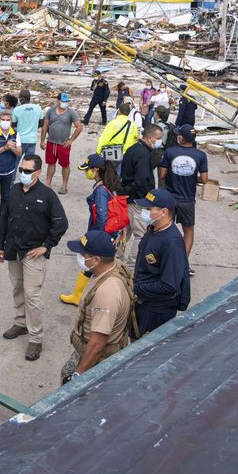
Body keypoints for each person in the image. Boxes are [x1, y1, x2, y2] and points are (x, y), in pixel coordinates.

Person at [0, 155, 68, 361]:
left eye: (27, 171)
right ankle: (20, 323)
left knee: (32, 295)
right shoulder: (14, 191)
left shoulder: (47, 195)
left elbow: (61, 223)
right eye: (21, 170)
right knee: (17, 288)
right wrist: (0, 245)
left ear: (37, 173)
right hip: (13, 250)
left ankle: (35, 338)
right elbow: (4, 217)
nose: (23, 174)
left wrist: (45, 246)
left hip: (33, 253)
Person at [60, 232, 134, 384]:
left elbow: (98, 343)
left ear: (95, 260)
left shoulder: (107, 293)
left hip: (100, 359)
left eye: (83, 254)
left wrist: (78, 377)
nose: (80, 257)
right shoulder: (114, 266)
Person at [58, 153, 122, 305]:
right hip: (106, 233)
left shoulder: (100, 190)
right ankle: (78, 295)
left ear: (96, 170)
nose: (87, 172)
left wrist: (96, 238)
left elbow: (102, 216)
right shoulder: (107, 184)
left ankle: (86, 296)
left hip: (100, 234)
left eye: (88, 169)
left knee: (93, 264)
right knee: (92, 266)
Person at [132, 189, 190, 335]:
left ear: (163, 212)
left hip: (156, 310)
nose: (144, 212)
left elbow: (169, 286)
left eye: (148, 209)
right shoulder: (153, 228)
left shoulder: (172, 243)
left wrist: (135, 288)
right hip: (143, 302)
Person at [159, 124, 208, 272]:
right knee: (188, 231)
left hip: (169, 199)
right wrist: (192, 177)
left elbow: (161, 175)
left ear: (180, 137)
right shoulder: (200, 155)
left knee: (164, 229)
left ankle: (163, 262)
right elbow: (205, 180)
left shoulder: (170, 152)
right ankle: (182, 264)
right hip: (187, 201)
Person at [121, 124, 164, 269]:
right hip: (138, 201)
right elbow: (142, 181)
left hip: (127, 198)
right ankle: (133, 265)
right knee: (140, 234)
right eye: (158, 138)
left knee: (124, 232)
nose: (159, 142)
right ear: (150, 138)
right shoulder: (143, 155)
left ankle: (116, 260)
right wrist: (149, 202)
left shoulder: (133, 149)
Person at [41, 92, 83, 194]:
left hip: (63, 144)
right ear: (58, 101)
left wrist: (71, 140)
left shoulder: (71, 112)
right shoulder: (50, 111)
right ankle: (48, 182)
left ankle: (64, 185)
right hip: (51, 142)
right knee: (51, 163)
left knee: (65, 164)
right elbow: (45, 126)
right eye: (63, 101)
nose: (65, 103)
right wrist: (42, 140)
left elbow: (79, 126)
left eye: (66, 101)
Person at [11, 89, 43, 157]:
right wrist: (33, 126)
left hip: (20, 140)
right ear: (29, 98)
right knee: (29, 163)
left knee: (15, 162)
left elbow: (13, 125)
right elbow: (41, 123)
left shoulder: (17, 110)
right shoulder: (38, 108)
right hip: (32, 140)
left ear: (21, 99)